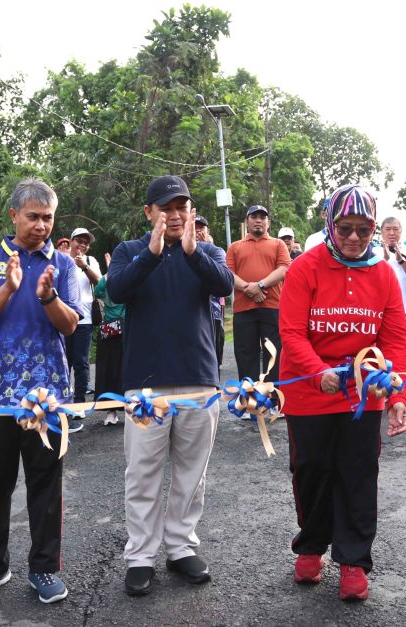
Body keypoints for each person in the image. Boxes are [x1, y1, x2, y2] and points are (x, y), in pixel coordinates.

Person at [279, 184, 406, 602]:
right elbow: (292, 334)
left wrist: (397, 395)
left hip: (363, 395)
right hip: (308, 391)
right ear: (329, 224)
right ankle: (312, 545)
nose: (354, 238)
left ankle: (354, 559)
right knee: (311, 469)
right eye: (345, 228)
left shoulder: (385, 274)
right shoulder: (304, 267)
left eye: (364, 229)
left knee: (358, 473)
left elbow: (395, 342)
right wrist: (319, 373)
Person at [0, 178, 83, 605]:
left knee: (45, 488)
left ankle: (45, 568)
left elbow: (70, 326)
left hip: (47, 399)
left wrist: (48, 297)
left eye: (48, 218)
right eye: (33, 217)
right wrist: (8, 288)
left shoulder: (63, 265)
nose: (42, 226)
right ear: (14, 215)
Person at [108, 175, 233, 597]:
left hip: (199, 377)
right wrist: (153, 253)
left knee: (191, 473)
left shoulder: (207, 251)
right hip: (145, 385)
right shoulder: (130, 251)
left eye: (182, 206)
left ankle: (181, 547)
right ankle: (141, 555)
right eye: (166, 207)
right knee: (141, 473)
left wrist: (193, 252)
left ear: (192, 211)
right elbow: (118, 290)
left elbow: (225, 286)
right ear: (149, 213)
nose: (175, 214)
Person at [226, 205, 291, 382]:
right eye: (254, 217)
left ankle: (272, 400)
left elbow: (284, 269)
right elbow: (228, 273)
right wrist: (250, 289)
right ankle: (251, 400)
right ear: (247, 221)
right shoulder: (234, 247)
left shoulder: (278, 244)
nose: (258, 220)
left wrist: (260, 285)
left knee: (273, 354)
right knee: (246, 354)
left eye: (262, 217)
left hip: (272, 307)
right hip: (243, 309)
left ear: (268, 223)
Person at [378, 216, 406, 404]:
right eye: (388, 229)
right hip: (382, 310)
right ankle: (386, 388)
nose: (392, 233)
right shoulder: (373, 252)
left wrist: (400, 259)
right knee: (383, 350)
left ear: (401, 231)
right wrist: (385, 259)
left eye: (396, 229)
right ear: (381, 232)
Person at [65, 228, 101, 420]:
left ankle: (79, 404)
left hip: (84, 319)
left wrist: (84, 267)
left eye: (86, 243)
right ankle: (62, 402)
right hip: (63, 318)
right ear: (71, 241)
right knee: (63, 363)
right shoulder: (61, 259)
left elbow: (99, 283)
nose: (83, 245)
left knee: (80, 363)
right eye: (79, 241)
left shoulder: (91, 261)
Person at [93, 251, 125, 426]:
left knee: (126, 370)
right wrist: (108, 273)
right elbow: (98, 291)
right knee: (109, 370)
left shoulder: (128, 276)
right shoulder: (107, 279)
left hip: (128, 330)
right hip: (110, 331)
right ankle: (111, 411)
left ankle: (131, 409)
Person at [195, 215, 226, 369]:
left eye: (201, 228)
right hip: (192, 313)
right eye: (194, 227)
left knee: (213, 355)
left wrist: (205, 247)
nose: (197, 231)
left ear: (208, 231)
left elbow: (223, 279)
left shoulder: (216, 251)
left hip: (214, 312)